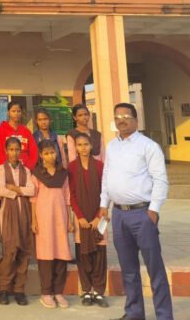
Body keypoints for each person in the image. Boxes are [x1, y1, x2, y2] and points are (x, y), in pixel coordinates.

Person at [99, 102, 173, 320]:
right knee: (128, 269)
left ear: (135, 120)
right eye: (117, 117)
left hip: (142, 214)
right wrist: (104, 203)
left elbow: (160, 180)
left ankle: (164, 315)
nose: (121, 120)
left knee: (154, 267)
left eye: (126, 116)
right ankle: (134, 313)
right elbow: (107, 176)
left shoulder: (148, 146)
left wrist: (153, 210)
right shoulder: (112, 146)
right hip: (119, 215)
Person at [31, 139, 73, 309]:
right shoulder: (36, 174)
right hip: (43, 218)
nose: (50, 156)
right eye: (46, 153)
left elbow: (67, 198)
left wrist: (69, 220)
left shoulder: (63, 174)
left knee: (61, 253)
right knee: (46, 254)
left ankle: (58, 292)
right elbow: (33, 199)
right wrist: (34, 220)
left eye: (52, 152)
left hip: (60, 217)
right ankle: (46, 293)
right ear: (41, 155)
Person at [67, 132, 108, 308]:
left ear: (91, 146)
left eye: (86, 144)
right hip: (81, 219)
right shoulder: (71, 167)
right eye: (79, 145)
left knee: (99, 254)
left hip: (99, 217)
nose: (83, 148)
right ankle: (86, 290)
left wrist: (98, 217)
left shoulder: (99, 166)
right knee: (83, 255)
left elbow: (105, 192)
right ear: (75, 148)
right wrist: (80, 217)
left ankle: (98, 291)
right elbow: (72, 194)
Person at [0, 136, 34, 306]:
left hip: (24, 212)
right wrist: (20, 191)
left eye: (17, 149)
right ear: (6, 151)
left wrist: (15, 188)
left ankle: (19, 290)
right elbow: (2, 190)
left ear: (21, 151)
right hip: (8, 213)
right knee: (10, 251)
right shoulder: (0, 169)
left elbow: (32, 191)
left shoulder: (26, 170)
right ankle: (4, 289)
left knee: (24, 251)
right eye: (11, 149)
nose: (14, 153)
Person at [0, 101, 37, 170]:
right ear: (8, 113)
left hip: (25, 169)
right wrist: (6, 168)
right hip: (7, 169)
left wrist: (28, 168)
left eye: (18, 111)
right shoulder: (0, 130)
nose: (16, 114)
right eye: (13, 111)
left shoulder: (26, 131)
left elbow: (33, 152)